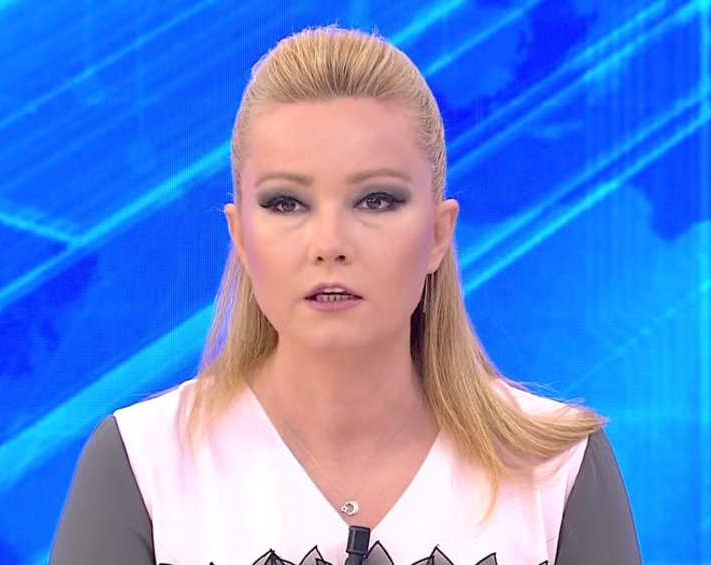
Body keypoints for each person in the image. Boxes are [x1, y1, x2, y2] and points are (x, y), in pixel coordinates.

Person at [49, 26, 641, 565]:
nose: (329, 244)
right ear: (241, 237)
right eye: (286, 203)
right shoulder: (142, 464)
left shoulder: (558, 470)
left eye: (376, 200)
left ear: (438, 235)